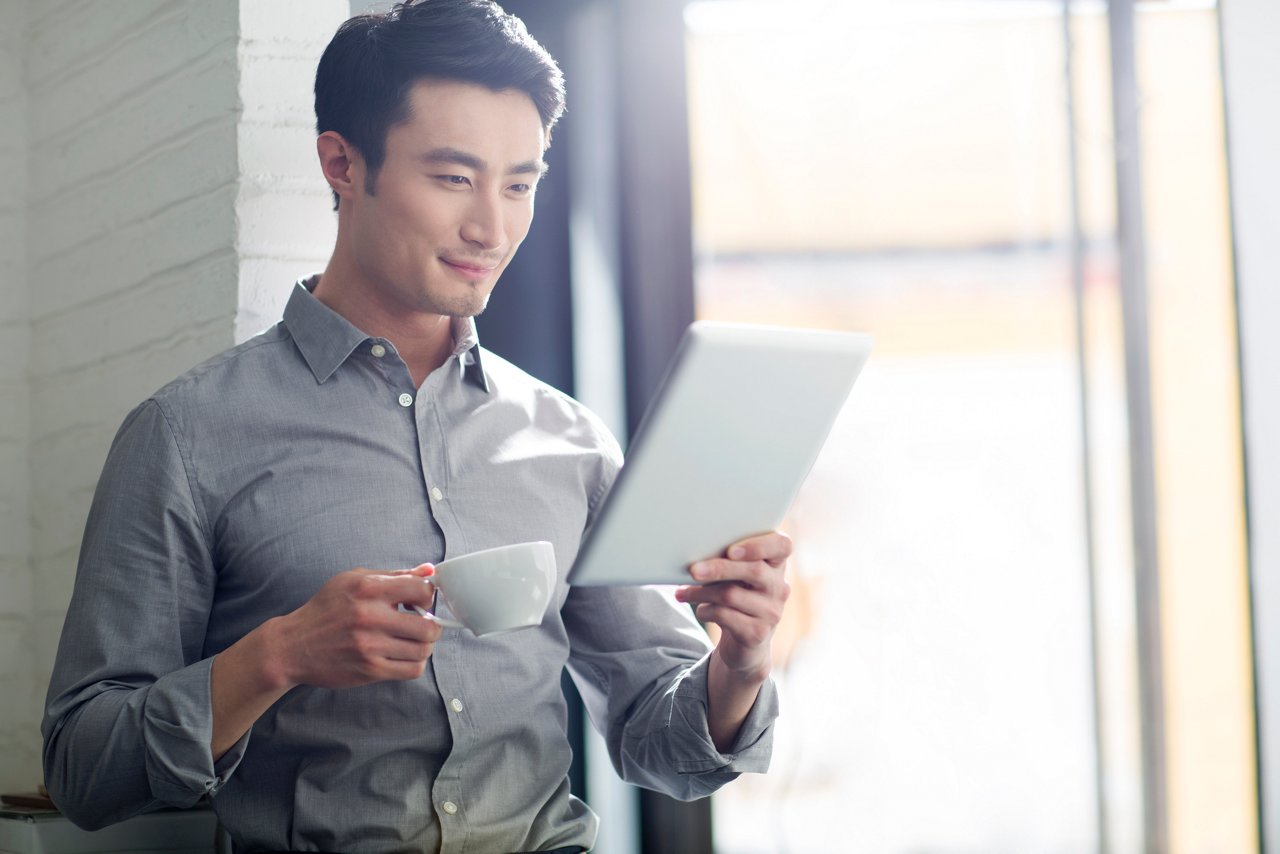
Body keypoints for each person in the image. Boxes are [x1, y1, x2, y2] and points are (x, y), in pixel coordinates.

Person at [41, 2, 791, 851]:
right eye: (452, 177)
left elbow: (661, 744)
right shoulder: (186, 434)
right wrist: (279, 655)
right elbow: (81, 770)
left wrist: (740, 662)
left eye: (520, 184)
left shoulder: (570, 441)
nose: (492, 227)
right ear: (342, 164)